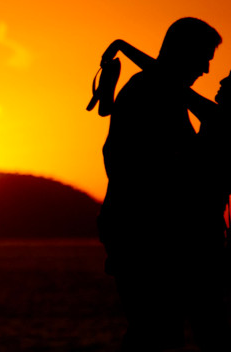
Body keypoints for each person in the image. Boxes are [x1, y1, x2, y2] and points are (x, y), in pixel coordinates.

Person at [96, 39, 231, 351]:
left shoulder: (217, 119)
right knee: (206, 326)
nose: (220, 80)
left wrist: (122, 47)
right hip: (205, 240)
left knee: (178, 329)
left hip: (188, 241)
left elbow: (164, 76)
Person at [95, 18, 223, 351]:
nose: (208, 69)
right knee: (157, 331)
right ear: (184, 52)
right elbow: (123, 159)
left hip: (136, 229)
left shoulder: (158, 89)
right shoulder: (153, 92)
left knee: (153, 330)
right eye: (205, 56)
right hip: (144, 234)